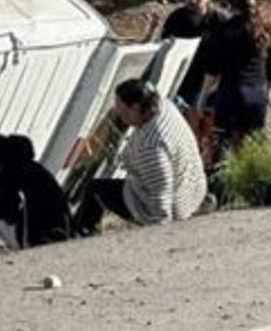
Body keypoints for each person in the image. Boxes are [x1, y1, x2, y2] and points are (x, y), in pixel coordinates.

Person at [72, 79, 207, 236]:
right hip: (194, 189)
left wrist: (162, 230)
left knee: (95, 189)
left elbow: (161, 195)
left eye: (122, 110)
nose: (118, 114)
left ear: (135, 108)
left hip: (176, 206)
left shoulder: (150, 147)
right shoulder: (166, 107)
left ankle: (78, 235)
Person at [197, 0, 271, 149]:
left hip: (232, 94)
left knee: (226, 147)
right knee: (252, 146)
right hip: (258, 94)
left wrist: (201, 99)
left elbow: (212, 71)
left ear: (230, 6)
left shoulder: (225, 30)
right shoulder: (265, 29)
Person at [0, 133, 71, 249]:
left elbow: (7, 214)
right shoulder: (34, 168)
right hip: (63, 229)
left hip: (35, 238)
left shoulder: (6, 177)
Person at [161, 0, 228, 107]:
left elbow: (230, 58)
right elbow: (164, 48)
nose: (192, 0)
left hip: (212, 89)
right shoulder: (175, 19)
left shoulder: (221, 21)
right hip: (180, 86)